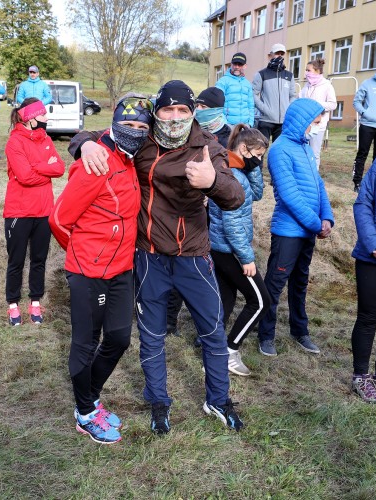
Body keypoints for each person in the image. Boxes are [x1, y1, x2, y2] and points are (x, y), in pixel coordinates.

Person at [69, 80, 245, 435]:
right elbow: (100, 132)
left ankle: (218, 399)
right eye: (168, 110)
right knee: (152, 335)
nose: (175, 117)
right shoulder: (143, 140)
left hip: (193, 256)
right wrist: (84, 143)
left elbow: (235, 196)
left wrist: (211, 182)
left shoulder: (206, 147)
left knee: (212, 331)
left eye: (183, 110)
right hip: (149, 256)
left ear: (193, 112)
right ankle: (159, 401)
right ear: (158, 112)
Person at [49, 94, 153, 444]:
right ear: (114, 122)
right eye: (129, 125)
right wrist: (84, 256)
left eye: (142, 127)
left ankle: (89, 398)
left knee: (120, 338)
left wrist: (85, 140)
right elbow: (60, 219)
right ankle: (85, 414)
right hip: (88, 271)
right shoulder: (97, 162)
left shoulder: (129, 159)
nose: (135, 132)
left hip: (122, 269)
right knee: (85, 342)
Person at [257, 98, 334, 357]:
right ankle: (265, 334)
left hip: (309, 230)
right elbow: (289, 196)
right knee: (275, 284)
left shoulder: (305, 149)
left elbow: (319, 186)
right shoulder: (280, 150)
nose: (315, 128)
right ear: (301, 121)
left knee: (300, 283)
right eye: (314, 123)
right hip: (289, 232)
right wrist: (316, 223)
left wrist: (328, 218)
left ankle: (300, 331)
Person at [165, 86, 231, 338]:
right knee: (181, 265)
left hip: (221, 216)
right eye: (197, 107)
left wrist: (212, 185)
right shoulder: (186, 133)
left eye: (204, 108)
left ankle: (208, 323)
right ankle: (169, 320)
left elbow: (233, 182)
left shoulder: (229, 136)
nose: (199, 112)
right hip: (191, 213)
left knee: (209, 272)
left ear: (216, 110)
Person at [209, 125, 271, 376]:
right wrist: (246, 258)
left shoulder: (235, 169)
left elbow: (256, 194)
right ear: (244, 149)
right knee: (260, 301)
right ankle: (230, 351)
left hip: (220, 248)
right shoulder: (233, 177)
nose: (259, 160)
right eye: (257, 155)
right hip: (231, 250)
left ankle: (211, 348)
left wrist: (254, 168)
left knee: (226, 299)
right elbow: (232, 223)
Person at [3, 98, 65, 326]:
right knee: (16, 260)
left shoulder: (46, 139)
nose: (47, 119)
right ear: (30, 118)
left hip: (44, 211)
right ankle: (12, 304)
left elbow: (59, 168)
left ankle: (35, 302)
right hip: (18, 211)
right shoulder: (14, 143)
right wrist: (43, 168)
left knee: (39, 259)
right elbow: (24, 177)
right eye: (44, 115)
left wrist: (36, 166)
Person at [350, 155, 376, 402]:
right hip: (372, 257)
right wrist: (372, 243)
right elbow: (363, 203)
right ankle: (361, 376)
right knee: (369, 317)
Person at [252, 44, 297, 144]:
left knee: (279, 152)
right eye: (277, 53)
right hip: (266, 120)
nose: (280, 56)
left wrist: (287, 109)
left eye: (282, 53)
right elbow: (253, 94)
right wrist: (264, 109)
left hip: (283, 122)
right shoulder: (261, 74)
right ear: (271, 55)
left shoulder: (289, 75)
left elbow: (293, 95)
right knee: (260, 149)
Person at [299, 58, 337, 170]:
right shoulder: (307, 86)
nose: (306, 73)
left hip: (318, 126)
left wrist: (317, 105)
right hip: (304, 125)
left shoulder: (327, 85)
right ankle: (303, 175)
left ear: (317, 71)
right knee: (303, 152)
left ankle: (313, 177)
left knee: (314, 153)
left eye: (308, 70)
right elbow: (300, 99)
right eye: (306, 70)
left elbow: (333, 104)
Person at [352, 62, 376, 192]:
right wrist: (364, 113)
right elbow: (356, 101)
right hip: (367, 125)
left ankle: (375, 183)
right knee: (362, 154)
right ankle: (357, 182)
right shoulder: (367, 84)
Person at [216, 52, 254, 127]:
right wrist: (224, 124)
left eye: (240, 64)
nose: (236, 67)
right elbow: (216, 104)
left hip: (245, 126)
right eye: (234, 64)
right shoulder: (222, 81)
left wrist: (250, 123)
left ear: (245, 66)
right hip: (228, 126)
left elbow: (251, 105)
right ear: (231, 64)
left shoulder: (247, 84)